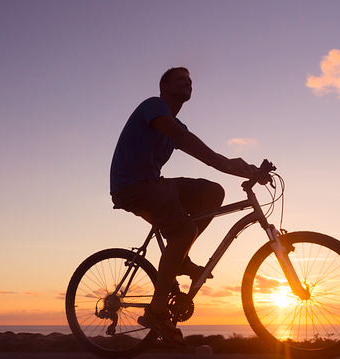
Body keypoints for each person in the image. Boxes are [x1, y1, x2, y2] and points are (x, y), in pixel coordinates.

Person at [109, 67, 256, 342]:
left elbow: (197, 150)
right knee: (184, 230)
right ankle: (156, 311)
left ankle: (180, 256)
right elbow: (190, 143)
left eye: (190, 81)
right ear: (163, 86)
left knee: (212, 192)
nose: (188, 84)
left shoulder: (178, 127)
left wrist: (247, 169)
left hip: (153, 184)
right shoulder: (154, 106)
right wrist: (227, 163)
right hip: (132, 186)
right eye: (181, 79)